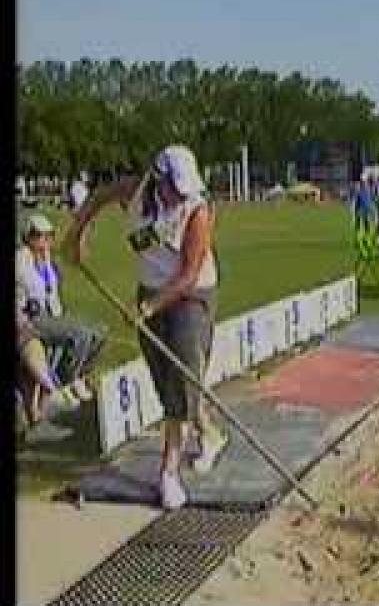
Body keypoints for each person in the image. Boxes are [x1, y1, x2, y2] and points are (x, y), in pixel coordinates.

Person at [67, 145, 224, 511]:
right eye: (173, 188)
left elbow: (188, 274)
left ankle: (167, 476)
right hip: (150, 291)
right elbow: (99, 198)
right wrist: (80, 233)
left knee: (182, 377)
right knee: (169, 382)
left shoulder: (196, 211)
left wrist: (150, 307)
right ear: (157, 179)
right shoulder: (135, 192)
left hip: (192, 295)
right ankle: (209, 433)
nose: (179, 196)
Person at [16, 213, 106, 404]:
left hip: (52, 315)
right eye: (40, 235)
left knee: (100, 331)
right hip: (33, 319)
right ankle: (66, 382)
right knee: (80, 335)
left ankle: (82, 374)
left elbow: (55, 285)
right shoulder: (21, 262)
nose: (46, 240)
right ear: (29, 237)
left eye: (49, 235)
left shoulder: (46, 258)